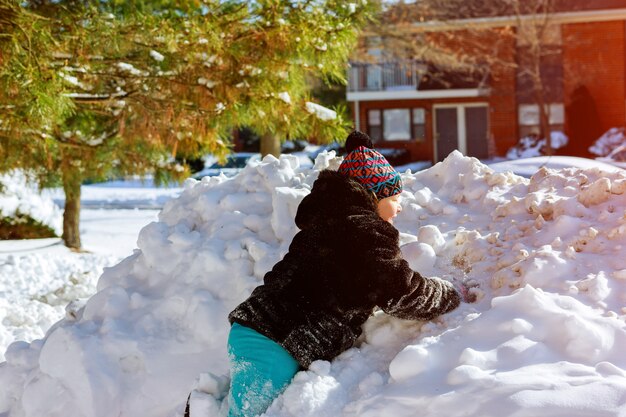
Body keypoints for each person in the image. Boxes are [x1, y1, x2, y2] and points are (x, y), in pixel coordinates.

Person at [225, 131, 463, 417]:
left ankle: (202, 405)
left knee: (242, 407)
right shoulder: (365, 234)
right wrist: (447, 294)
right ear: (375, 195)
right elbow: (401, 291)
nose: (400, 207)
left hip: (260, 330)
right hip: (274, 342)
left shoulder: (327, 223)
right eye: (396, 197)